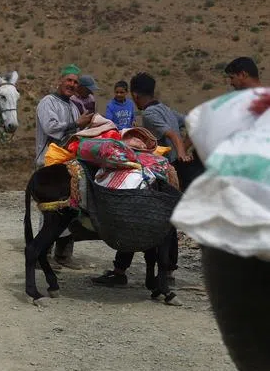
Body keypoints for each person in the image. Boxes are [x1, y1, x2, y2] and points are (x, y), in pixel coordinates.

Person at [91, 72, 196, 301]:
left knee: (136, 216)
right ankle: (159, 273)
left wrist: (180, 151)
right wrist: (185, 148)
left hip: (159, 173)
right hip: (171, 172)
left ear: (135, 95)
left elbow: (169, 134)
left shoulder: (149, 113)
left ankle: (147, 274)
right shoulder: (167, 109)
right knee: (163, 221)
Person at [35, 66, 93, 269]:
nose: (72, 85)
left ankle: (63, 255)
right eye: (69, 80)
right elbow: (51, 128)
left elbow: (76, 133)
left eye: (76, 82)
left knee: (71, 209)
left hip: (68, 165)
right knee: (50, 211)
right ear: (59, 80)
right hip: (48, 164)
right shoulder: (47, 102)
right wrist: (77, 123)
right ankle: (43, 254)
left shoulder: (74, 106)